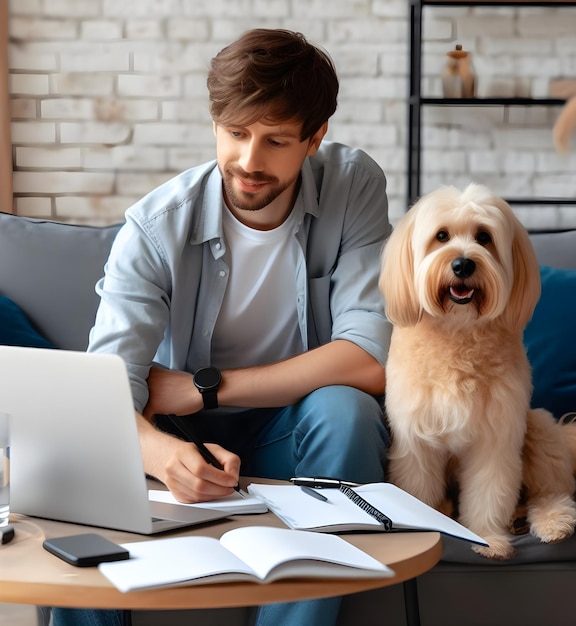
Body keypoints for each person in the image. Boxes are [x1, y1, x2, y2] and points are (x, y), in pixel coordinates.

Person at [51, 28, 392, 626]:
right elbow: (104, 394)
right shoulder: (154, 228)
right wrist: (162, 453)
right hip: (183, 432)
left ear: (316, 138)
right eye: (235, 133)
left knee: (346, 410)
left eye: (276, 140)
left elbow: (367, 357)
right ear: (216, 123)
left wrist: (202, 384)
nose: (249, 162)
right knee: (79, 461)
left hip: (293, 429)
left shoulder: (353, 185)